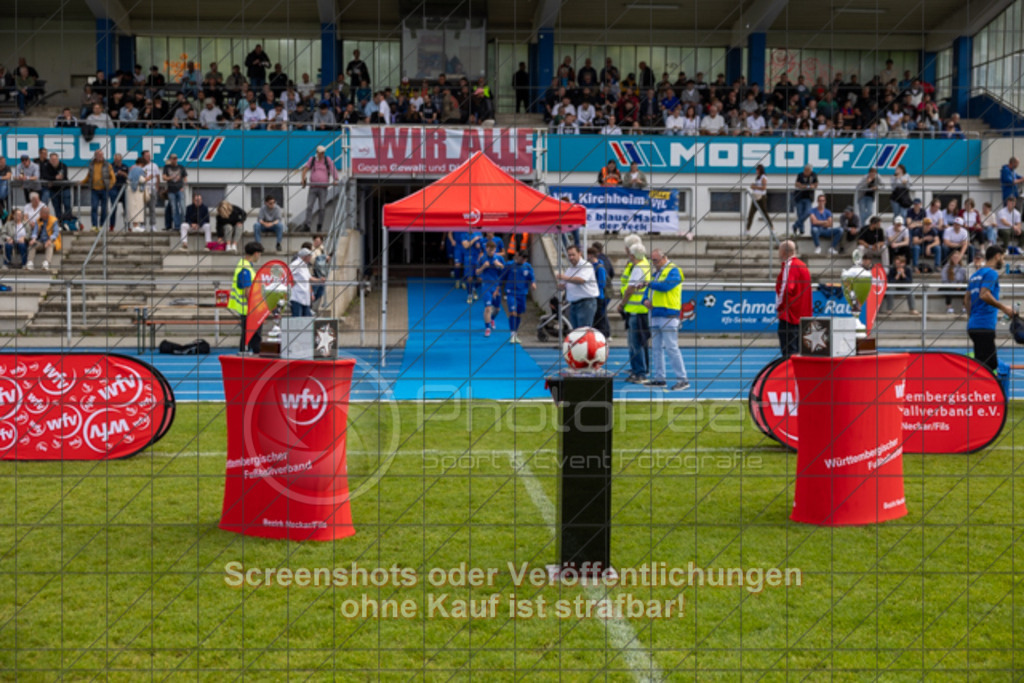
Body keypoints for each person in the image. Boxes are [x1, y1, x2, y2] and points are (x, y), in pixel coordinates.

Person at [642, 249, 689, 390]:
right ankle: (659, 378)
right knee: (656, 348)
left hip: (669, 313)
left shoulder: (674, 270)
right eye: (652, 260)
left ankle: (683, 379)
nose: (653, 263)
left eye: (655, 260)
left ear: (664, 258)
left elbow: (666, 286)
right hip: (656, 313)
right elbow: (647, 292)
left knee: (671, 347)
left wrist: (649, 284)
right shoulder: (656, 274)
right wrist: (645, 300)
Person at [965, 245, 1017, 372]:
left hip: (973, 325)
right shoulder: (991, 273)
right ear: (997, 256)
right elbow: (984, 294)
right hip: (985, 326)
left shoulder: (975, 275)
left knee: (981, 365)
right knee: (989, 367)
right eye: (1003, 258)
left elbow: (966, 299)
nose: (1003, 262)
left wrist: (972, 317)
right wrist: (1004, 308)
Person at [619, 241, 651, 383]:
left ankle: (640, 373)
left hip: (635, 310)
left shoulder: (638, 268)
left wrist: (622, 303)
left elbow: (630, 289)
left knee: (635, 343)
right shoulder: (645, 264)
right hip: (640, 309)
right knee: (639, 343)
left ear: (632, 255)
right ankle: (640, 370)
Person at [775, 240, 812, 359]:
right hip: (801, 316)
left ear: (783, 252)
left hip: (790, 315)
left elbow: (786, 288)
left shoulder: (790, 266)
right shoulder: (802, 265)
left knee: (789, 353)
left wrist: (779, 306)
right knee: (799, 352)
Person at [229, 242, 266, 355]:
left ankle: (247, 356)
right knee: (252, 337)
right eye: (260, 254)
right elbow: (247, 291)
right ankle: (249, 357)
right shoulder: (245, 268)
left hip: (248, 308)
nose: (259, 257)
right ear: (256, 253)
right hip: (249, 308)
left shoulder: (245, 265)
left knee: (250, 336)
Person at [557, 244, 600, 329]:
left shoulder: (586, 266)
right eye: (569, 255)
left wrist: (564, 277)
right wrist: (560, 286)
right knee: (575, 332)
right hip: (573, 304)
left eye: (573, 255)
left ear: (579, 253)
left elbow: (581, 280)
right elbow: (563, 285)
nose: (571, 257)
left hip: (586, 303)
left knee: (583, 331)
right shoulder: (570, 269)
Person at [499, 249, 535, 344]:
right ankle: (512, 334)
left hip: (522, 293)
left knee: (518, 314)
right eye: (522, 258)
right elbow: (502, 277)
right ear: (517, 255)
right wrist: (497, 289)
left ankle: (515, 333)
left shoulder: (527, 266)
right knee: (513, 312)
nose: (523, 260)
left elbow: (532, 277)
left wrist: (533, 283)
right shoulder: (509, 265)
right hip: (511, 292)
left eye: (525, 259)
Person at [301, 145, 338, 232]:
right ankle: (307, 225)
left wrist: (335, 179)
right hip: (313, 187)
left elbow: (332, 168)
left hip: (323, 188)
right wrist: (303, 179)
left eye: (323, 152)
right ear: (317, 152)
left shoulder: (327, 159)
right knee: (309, 206)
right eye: (321, 152)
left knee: (322, 208)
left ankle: (319, 225)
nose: (322, 154)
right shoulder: (312, 159)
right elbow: (305, 169)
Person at [476, 240, 505, 337]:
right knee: (488, 308)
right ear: (486, 249)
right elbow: (477, 272)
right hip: (486, 286)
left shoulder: (499, 258)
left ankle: (492, 319)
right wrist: (483, 267)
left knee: (497, 309)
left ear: (495, 250)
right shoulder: (482, 259)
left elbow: (505, 271)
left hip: (496, 286)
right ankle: (487, 328)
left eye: (492, 250)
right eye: (489, 250)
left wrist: (499, 265)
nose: (491, 252)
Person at [81, 150, 115, 232]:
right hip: (94, 190)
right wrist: (82, 182)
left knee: (104, 209)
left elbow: (113, 177)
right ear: (95, 156)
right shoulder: (92, 164)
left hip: (104, 189)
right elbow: (88, 176)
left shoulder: (107, 165)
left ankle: (101, 225)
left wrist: (110, 186)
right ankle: (94, 226)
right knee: (94, 207)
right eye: (99, 155)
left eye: (102, 155)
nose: (100, 156)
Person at [289, 247, 322, 317]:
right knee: (297, 319)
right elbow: (287, 274)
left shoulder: (304, 265)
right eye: (309, 256)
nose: (310, 258)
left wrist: (319, 280)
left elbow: (309, 278)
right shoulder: (295, 264)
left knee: (307, 318)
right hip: (297, 297)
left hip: (305, 297)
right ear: (304, 256)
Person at [587, 246, 611, 338]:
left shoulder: (599, 267)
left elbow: (602, 283)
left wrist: (592, 286)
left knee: (600, 317)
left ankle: (604, 334)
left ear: (591, 255)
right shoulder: (591, 266)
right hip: (593, 296)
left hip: (599, 296)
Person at [26, 206, 58, 271]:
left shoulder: (54, 220)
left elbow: (56, 233)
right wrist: (33, 239)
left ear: (46, 215)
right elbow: (35, 232)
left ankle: (46, 263)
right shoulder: (38, 220)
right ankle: (30, 262)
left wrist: (50, 240)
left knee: (50, 245)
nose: (39, 215)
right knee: (32, 244)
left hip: (51, 241)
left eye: (41, 214)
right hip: (40, 241)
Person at [161, 153, 187, 231]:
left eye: (175, 158)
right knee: (174, 208)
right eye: (173, 158)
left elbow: (185, 178)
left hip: (179, 189)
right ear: (170, 159)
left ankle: (184, 224)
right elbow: (164, 178)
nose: (174, 160)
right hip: (171, 191)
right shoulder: (166, 167)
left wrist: (183, 187)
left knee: (182, 207)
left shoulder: (181, 167)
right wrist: (171, 177)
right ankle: (177, 226)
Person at [124, 157, 149, 232]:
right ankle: (136, 226)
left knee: (132, 208)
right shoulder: (138, 169)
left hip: (130, 190)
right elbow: (141, 180)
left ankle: (135, 225)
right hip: (135, 191)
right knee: (136, 208)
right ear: (141, 163)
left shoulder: (132, 168)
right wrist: (147, 178)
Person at [791, 165, 817, 235]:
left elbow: (815, 185)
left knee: (808, 212)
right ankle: (801, 230)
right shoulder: (800, 175)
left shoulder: (813, 175)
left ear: (810, 171)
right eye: (805, 170)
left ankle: (795, 225)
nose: (806, 172)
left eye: (807, 170)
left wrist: (805, 186)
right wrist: (807, 186)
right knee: (800, 214)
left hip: (808, 198)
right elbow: (797, 184)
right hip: (799, 197)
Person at [746, 164, 771, 234]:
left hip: (761, 197)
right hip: (755, 197)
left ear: (760, 170)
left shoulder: (763, 177)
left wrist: (755, 187)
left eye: (757, 170)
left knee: (764, 212)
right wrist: (753, 186)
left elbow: (764, 188)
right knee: (751, 213)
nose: (756, 171)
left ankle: (771, 227)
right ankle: (747, 230)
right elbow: (757, 187)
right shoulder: (758, 178)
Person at [461, 230, 484, 301]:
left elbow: (482, 247)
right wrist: (474, 239)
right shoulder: (463, 234)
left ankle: (474, 288)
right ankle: (469, 294)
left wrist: (479, 247)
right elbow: (466, 246)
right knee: (469, 278)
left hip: (477, 258)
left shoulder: (479, 233)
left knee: (480, 279)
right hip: (468, 259)